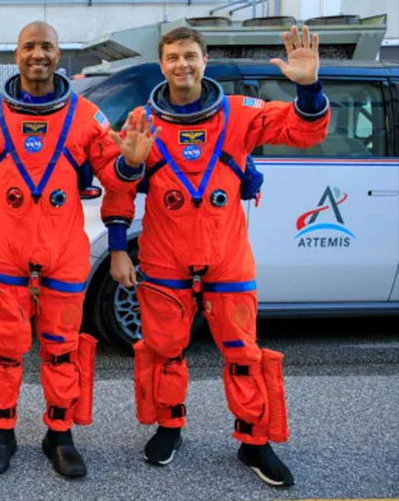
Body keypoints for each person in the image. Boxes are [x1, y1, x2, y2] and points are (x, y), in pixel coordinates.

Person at [109, 25, 329, 487]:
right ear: (162, 63)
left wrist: (307, 86)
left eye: (190, 55)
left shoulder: (237, 114)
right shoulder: (143, 118)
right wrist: (117, 242)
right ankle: (169, 427)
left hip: (226, 256)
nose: (181, 64)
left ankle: (254, 439)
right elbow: (119, 190)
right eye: (172, 57)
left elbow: (301, 130)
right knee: (165, 350)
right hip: (165, 256)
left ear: (204, 59)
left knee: (243, 353)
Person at [0, 21, 154, 478]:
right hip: (6, 249)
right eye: (29, 47)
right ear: (15, 55)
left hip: (63, 251)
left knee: (62, 350)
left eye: (47, 47)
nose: (37, 54)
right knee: (4, 349)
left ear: (60, 54)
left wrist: (131, 163)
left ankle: (59, 433)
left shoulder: (85, 116)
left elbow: (115, 179)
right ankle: (1, 431)